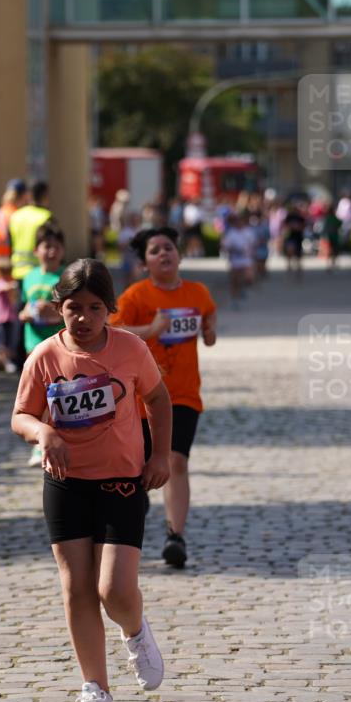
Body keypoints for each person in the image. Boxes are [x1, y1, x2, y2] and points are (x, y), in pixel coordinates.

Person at [11, 259, 172, 702]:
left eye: (94, 308)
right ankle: (95, 691)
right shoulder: (43, 356)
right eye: (72, 308)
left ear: (110, 310)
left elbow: (158, 399)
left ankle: (136, 632)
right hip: (65, 483)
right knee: (77, 588)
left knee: (114, 590)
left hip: (122, 480)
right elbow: (20, 415)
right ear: (58, 308)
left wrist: (160, 455)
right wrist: (45, 433)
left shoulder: (130, 349)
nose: (82, 318)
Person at [109, 226, 216, 568]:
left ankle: (175, 536)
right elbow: (112, 330)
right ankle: (132, 523)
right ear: (144, 263)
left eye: (169, 247)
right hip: (142, 398)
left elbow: (208, 313)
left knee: (176, 461)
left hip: (183, 395)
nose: (164, 254)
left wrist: (210, 329)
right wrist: (150, 332)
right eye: (154, 251)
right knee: (139, 469)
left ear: (180, 254)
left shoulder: (197, 292)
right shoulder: (136, 296)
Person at [19, 221, 67, 464]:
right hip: (33, 344)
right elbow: (23, 308)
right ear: (36, 250)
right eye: (46, 246)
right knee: (36, 396)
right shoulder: (29, 278)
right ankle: (40, 443)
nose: (51, 251)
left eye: (56, 246)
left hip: (58, 344)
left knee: (56, 393)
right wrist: (26, 314)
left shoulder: (67, 277)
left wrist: (54, 313)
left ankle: (56, 437)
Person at [9, 180, 51, 282]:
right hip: (39, 272)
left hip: (17, 271)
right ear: (45, 196)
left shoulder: (16, 215)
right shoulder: (46, 217)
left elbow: (9, 243)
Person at [221, 212, 252, 304]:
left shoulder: (248, 232)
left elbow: (254, 243)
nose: (240, 224)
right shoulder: (231, 233)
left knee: (248, 278)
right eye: (238, 222)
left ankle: (243, 287)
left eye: (241, 222)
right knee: (234, 280)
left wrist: (249, 250)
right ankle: (234, 298)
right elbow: (225, 246)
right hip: (235, 259)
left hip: (246, 259)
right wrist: (232, 249)